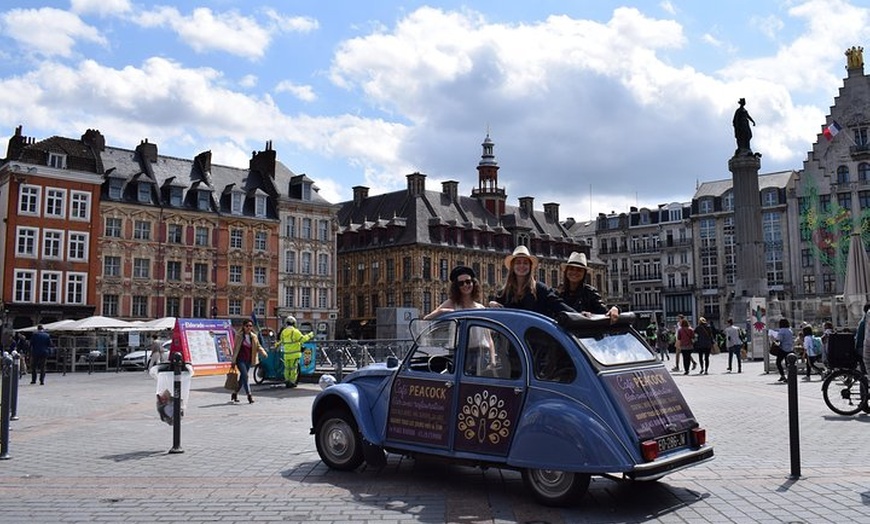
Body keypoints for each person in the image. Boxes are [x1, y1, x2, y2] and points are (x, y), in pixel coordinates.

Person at [488, 245, 575, 317]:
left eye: (525, 263)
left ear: (530, 267)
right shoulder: (503, 293)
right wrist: (491, 306)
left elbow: (559, 305)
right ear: (512, 267)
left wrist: (578, 315)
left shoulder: (540, 289)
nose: (522, 265)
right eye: (518, 262)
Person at [556, 252, 619, 322]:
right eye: (571, 268)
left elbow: (605, 312)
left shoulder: (590, 293)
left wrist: (615, 308)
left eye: (579, 270)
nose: (574, 272)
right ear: (566, 271)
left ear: (584, 274)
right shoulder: (558, 293)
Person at [231, 320, 267, 403]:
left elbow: (258, 346)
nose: (249, 327)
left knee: (242, 378)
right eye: (247, 326)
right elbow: (235, 349)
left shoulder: (253, 336)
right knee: (246, 376)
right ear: (243, 326)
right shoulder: (239, 335)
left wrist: (263, 352)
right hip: (240, 360)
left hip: (249, 360)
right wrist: (233, 361)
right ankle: (249, 396)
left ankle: (235, 393)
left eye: (250, 326)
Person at [277, 315, 314, 388]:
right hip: (294, 354)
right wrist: (310, 335)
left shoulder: (284, 332)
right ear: (294, 323)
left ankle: (287, 380)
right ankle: (292, 382)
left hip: (286, 354)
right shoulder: (295, 331)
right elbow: (302, 339)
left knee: (287, 368)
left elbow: (282, 340)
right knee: (294, 368)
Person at [773, 318, 794, 383]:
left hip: (783, 349)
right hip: (790, 348)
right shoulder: (790, 330)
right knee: (788, 363)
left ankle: (783, 375)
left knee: (778, 362)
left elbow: (779, 339)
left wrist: (774, 338)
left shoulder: (782, 330)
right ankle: (790, 377)